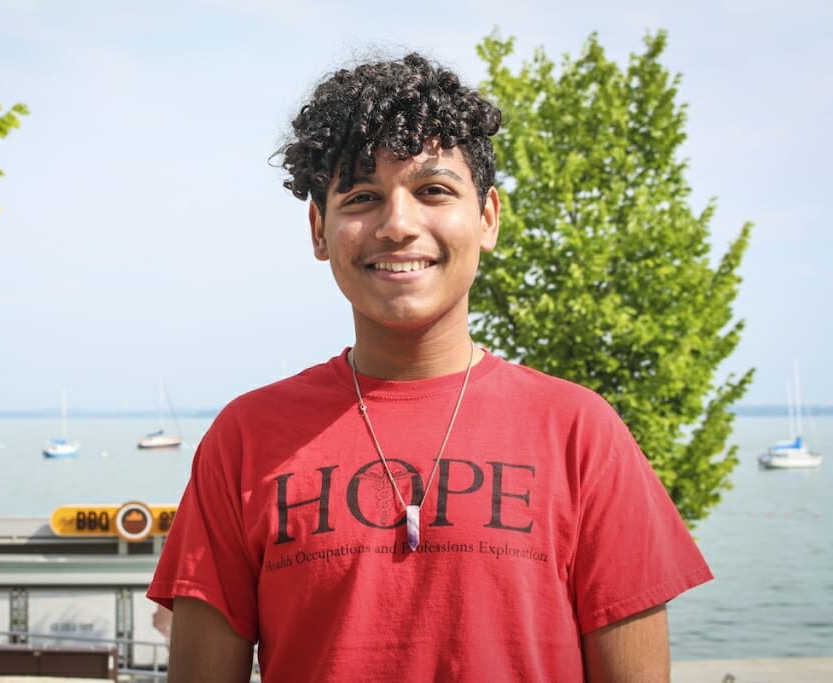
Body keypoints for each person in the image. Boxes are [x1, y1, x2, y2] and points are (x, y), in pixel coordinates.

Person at [148, 52, 713, 681]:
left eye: (433, 190)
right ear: (318, 228)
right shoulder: (245, 439)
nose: (398, 224)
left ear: (488, 217)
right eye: (362, 196)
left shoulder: (581, 432)